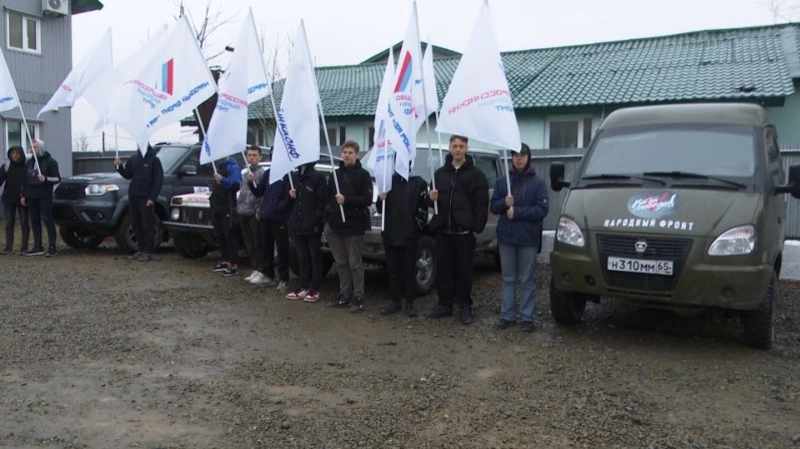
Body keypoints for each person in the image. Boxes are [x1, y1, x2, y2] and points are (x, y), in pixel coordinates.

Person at [425, 135, 489, 325]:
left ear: (467, 148)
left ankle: (465, 305)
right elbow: (430, 201)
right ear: (450, 148)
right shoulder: (440, 174)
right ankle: (444, 304)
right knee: (444, 270)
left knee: (464, 271)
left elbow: (481, 204)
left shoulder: (476, 175)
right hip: (444, 231)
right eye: (455, 146)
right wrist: (431, 197)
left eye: (461, 146)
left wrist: (476, 228)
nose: (458, 149)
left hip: (464, 233)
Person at [489, 143, 549, 332]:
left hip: (528, 239)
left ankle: (527, 317)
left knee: (527, 279)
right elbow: (493, 207)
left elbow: (542, 209)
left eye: (522, 155)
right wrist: (503, 204)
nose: (518, 158)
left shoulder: (538, 183)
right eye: (515, 155)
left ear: (528, 157)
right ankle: (507, 315)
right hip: (507, 238)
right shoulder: (502, 182)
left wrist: (518, 211)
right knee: (508, 278)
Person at [323, 141, 373, 313]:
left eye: (350, 152)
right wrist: (328, 219)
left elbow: (366, 199)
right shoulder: (335, 175)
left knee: (355, 264)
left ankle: (358, 297)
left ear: (357, 155)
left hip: (354, 226)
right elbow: (328, 198)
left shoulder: (364, 175)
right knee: (341, 263)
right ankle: (344, 294)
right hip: (335, 226)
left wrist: (347, 200)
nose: (346, 155)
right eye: (344, 152)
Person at [376, 167, 430, 317]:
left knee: (409, 270)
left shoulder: (419, 183)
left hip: (409, 235)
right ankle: (395, 301)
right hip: (390, 233)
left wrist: (416, 228)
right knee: (392, 270)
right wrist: (381, 199)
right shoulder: (387, 181)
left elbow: (423, 208)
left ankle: (409, 303)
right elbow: (380, 208)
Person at [247, 148, 293, 292]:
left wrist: (280, 207)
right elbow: (259, 192)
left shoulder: (289, 175)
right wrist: (251, 183)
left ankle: (284, 278)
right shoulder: (269, 173)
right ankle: (268, 274)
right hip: (266, 216)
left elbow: (289, 198)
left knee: (282, 249)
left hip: (279, 218)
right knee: (266, 247)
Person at [284, 160, 327, 302]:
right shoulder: (294, 177)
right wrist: (290, 197)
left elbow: (322, 202)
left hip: (312, 226)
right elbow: (288, 202)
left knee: (315, 258)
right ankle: (303, 286)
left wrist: (315, 220)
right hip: (297, 224)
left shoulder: (317, 177)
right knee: (302, 258)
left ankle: (314, 289)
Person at [114, 145, 164, 262]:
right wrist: (119, 166)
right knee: (136, 224)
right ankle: (141, 249)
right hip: (133, 195)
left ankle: (148, 251)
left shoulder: (154, 160)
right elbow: (127, 174)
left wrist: (152, 197)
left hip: (146, 197)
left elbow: (158, 180)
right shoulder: (134, 159)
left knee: (148, 224)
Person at [20, 139, 61, 257]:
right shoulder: (29, 163)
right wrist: (23, 194)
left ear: (41, 148)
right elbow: (25, 180)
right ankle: (38, 246)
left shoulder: (51, 162)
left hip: (44, 197)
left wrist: (46, 179)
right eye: (31, 147)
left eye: (35, 147)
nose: (32, 150)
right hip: (31, 197)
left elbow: (57, 178)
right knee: (34, 221)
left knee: (48, 220)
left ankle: (52, 246)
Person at [238, 146, 270, 286]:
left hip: (254, 212)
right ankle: (255, 267)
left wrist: (258, 210)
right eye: (249, 155)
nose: (251, 157)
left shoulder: (262, 173)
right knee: (249, 243)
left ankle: (261, 269)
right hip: (243, 210)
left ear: (260, 157)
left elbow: (261, 194)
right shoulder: (245, 172)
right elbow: (242, 190)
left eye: (254, 155)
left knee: (258, 243)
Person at [209, 155, 241, 277]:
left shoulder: (233, 167)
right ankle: (225, 260)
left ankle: (234, 264)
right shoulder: (219, 167)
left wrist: (222, 180)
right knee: (220, 234)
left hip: (227, 206)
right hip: (217, 206)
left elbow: (235, 185)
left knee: (229, 235)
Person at [0, 146, 30, 255]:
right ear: (10, 155)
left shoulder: (26, 168)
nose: (15, 155)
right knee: (9, 223)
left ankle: (24, 247)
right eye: (13, 153)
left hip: (22, 199)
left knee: (24, 222)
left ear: (21, 154)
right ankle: (8, 247)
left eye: (17, 153)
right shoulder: (6, 167)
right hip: (8, 199)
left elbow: (28, 183)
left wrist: (25, 195)